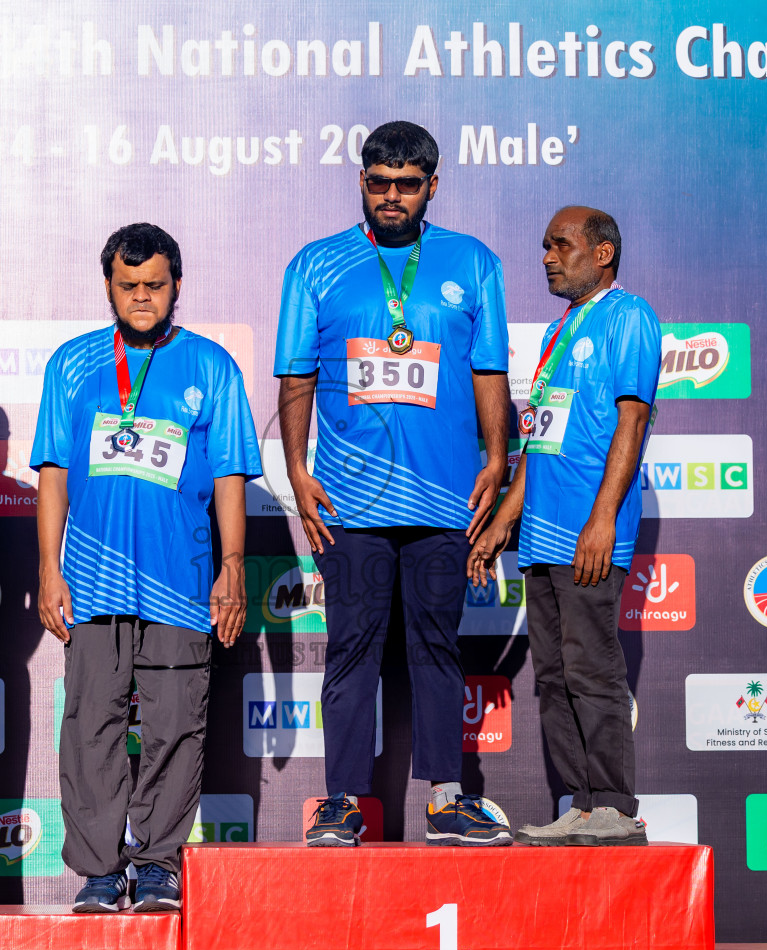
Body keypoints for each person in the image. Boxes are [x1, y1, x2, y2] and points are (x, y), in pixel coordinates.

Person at [275, 121, 514, 847]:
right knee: (350, 650)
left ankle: (448, 798)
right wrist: (295, 469)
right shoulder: (315, 265)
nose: (391, 197)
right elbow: (295, 376)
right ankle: (342, 803)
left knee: (438, 650)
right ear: (362, 182)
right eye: (378, 183)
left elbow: (490, 372)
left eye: (407, 185)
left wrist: (497, 459)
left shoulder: (473, 263)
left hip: (444, 501)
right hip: (351, 502)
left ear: (432, 187)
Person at [34, 223, 260, 912]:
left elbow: (228, 476)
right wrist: (49, 569)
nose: (141, 298)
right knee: (91, 726)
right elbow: (50, 474)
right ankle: (101, 871)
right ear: (109, 285)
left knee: (175, 726)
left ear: (177, 286)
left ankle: (159, 861)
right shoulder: (71, 363)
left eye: (154, 285)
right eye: (128, 286)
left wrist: (232, 567)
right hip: (94, 584)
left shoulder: (212, 366)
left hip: (182, 582)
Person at [468, 206, 661, 847]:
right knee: (553, 677)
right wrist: (504, 520)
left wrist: (602, 517)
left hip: (588, 532)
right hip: (543, 537)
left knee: (592, 670)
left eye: (561, 245)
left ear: (602, 253)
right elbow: (539, 442)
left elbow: (631, 423)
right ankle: (581, 805)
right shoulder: (563, 326)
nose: (547, 256)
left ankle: (614, 804)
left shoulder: (629, 317)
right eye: (544, 245)